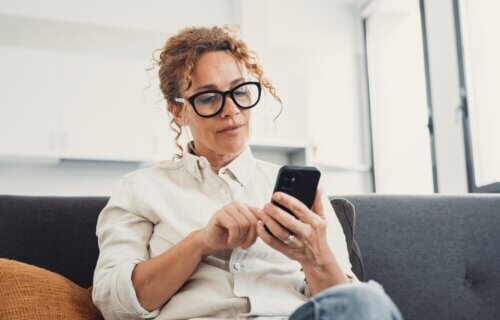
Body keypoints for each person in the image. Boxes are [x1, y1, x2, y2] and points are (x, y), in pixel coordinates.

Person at [92, 25, 403, 320]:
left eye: (240, 91)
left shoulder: (302, 192)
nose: (232, 110)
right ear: (178, 110)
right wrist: (200, 242)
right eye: (209, 97)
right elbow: (114, 304)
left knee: (367, 299)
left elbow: (349, 309)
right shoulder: (140, 188)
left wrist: (315, 255)